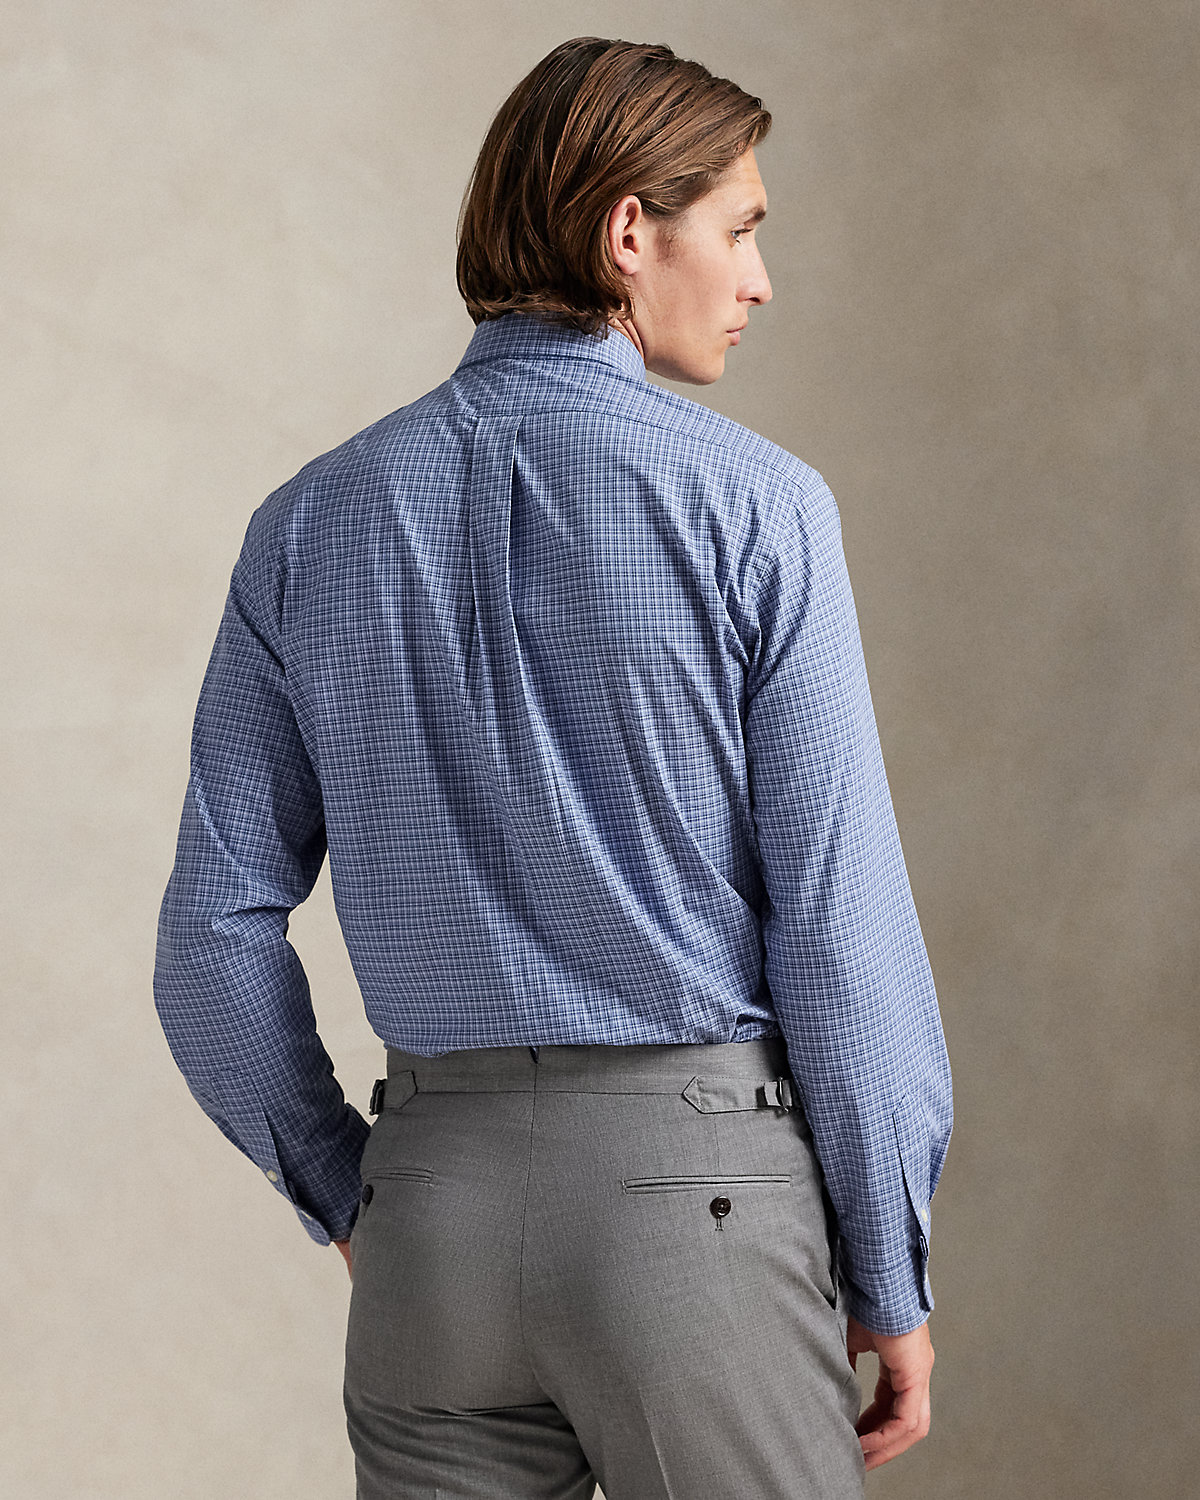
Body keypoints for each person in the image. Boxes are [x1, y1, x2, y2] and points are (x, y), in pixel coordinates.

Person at [154, 35, 952, 1500]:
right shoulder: (760, 508)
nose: (760, 279)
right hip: (702, 1222)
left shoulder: (306, 523)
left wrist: (356, 1192)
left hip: (433, 1230)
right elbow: (838, 932)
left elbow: (210, 938)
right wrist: (891, 1271)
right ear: (629, 232)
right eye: (741, 230)